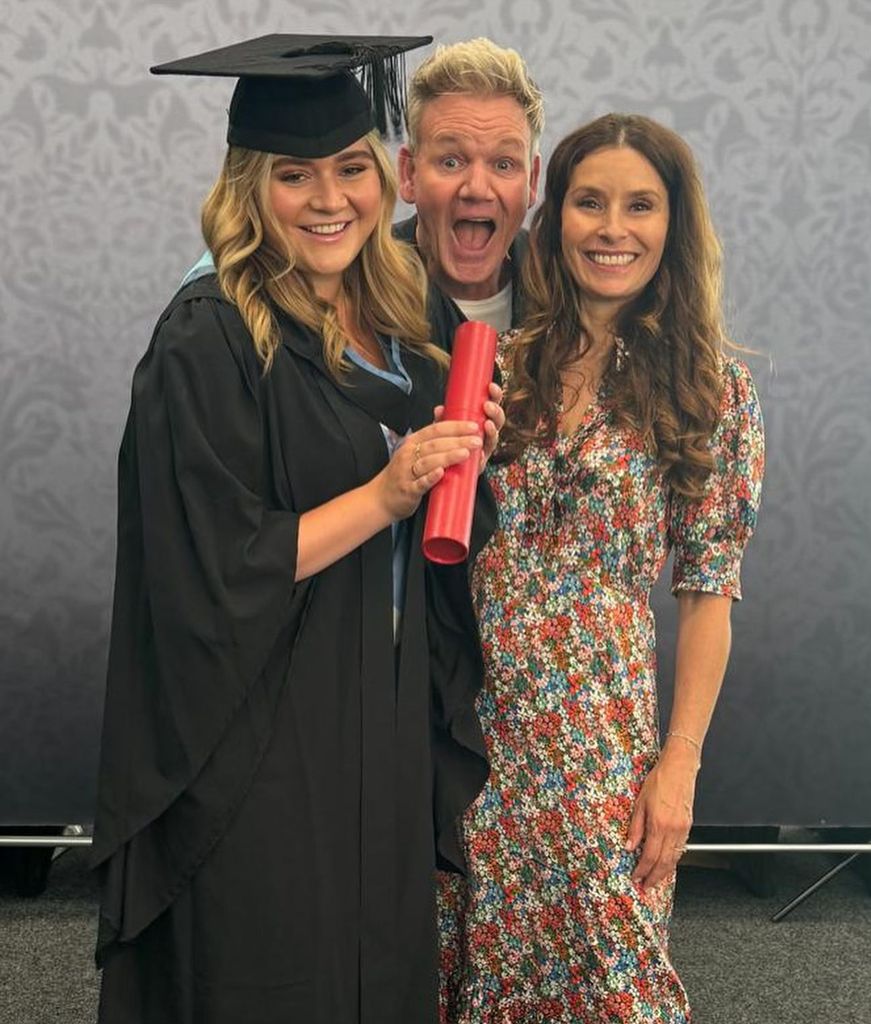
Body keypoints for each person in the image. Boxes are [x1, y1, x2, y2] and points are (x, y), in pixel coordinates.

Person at [91, 34, 504, 1024]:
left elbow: (447, 534)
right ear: (250, 186)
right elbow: (207, 565)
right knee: (276, 970)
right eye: (295, 175)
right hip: (265, 732)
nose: (330, 199)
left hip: (383, 712)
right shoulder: (212, 336)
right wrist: (387, 492)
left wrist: (466, 453)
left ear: (381, 174)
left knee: (374, 965)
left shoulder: (408, 317)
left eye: (351, 169)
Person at [437, 113, 766, 1021]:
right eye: (589, 201)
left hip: (602, 752)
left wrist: (679, 769)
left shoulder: (713, 393)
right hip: (472, 739)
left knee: (610, 987)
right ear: (555, 216)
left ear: (672, 226)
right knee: (469, 974)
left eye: (639, 205)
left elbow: (708, 598)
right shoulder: (494, 366)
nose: (612, 228)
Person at [394, 38, 544, 341]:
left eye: (503, 165)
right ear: (409, 174)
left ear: (531, 182)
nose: (477, 189)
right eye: (451, 162)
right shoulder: (356, 290)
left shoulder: (564, 289)